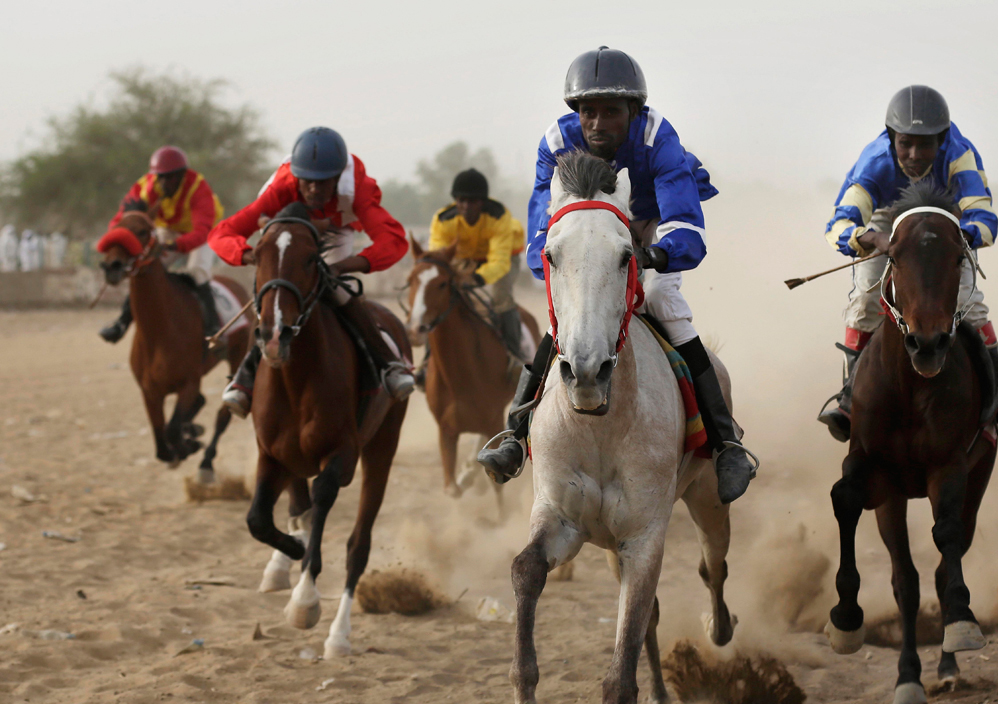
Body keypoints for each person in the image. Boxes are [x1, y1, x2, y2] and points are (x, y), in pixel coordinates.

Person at [477, 46, 755, 504]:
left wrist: (658, 256)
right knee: (568, 318)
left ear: (634, 110)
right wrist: (565, 274)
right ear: (576, 114)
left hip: (649, 224)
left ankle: (726, 445)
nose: (598, 124)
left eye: (611, 112)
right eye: (589, 112)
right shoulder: (555, 143)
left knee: (663, 304)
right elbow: (541, 229)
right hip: (590, 233)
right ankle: (513, 435)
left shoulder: (657, 136)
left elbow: (684, 220)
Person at [816, 85, 998, 442]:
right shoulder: (874, 162)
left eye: (926, 144)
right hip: (888, 222)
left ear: (942, 140)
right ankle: (848, 399)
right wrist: (870, 239)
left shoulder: (960, 155)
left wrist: (955, 240)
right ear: (891, 138)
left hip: (946, 223)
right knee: (865, 301)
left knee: (969, 304)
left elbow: (983, 220)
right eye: (905, 143)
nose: (915, 154)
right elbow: (838, 226)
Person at [208, 127, 414, 417]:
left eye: (324, 182)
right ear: (296, 177)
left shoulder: (359, 189)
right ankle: (245, 378)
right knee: (274, 294)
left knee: (336, 287)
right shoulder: (280, 188)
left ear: (338, 177)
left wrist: (343, 266)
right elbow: (222, 233)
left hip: (337, 231)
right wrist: (250, 255)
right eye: (308, 182)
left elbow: (393, 241)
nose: (315, 189)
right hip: (291, 228)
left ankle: (387, 363)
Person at [99, 146, 224, 344]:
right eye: (161, 177)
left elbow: (200, 232)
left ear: (183, 175)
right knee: (144, 268)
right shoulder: (143, 188)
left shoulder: (198, 188)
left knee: (197, 270)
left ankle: (214, 327)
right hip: (169, 228)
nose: (165, 182)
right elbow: (120, 221)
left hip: (202, 232)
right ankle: (122, 323)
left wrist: (173, 246)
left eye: (171, 177)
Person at [427, 168, 527, 356]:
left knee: (501, 298)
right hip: (465, 258)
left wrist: (476, 278)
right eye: (461, 200)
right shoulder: (442, 220)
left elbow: (500, 262)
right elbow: (438, 258)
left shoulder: (499, 217)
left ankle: (515, 356)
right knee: (437, 298)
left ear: (482, 202)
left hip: (505, 257)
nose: (466, 206)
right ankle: (427, 361)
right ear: (455, 201)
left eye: (472, 201)